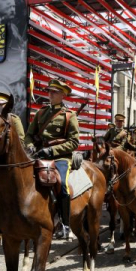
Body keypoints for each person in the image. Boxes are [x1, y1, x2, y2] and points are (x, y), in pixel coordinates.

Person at [24, 79, 80, 240]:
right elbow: (29, 134)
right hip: (39, 154)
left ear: (63, 95)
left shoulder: (69, 116)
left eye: (54, 92)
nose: (50, 94)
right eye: (49, 91)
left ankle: (65, 224)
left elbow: (73, 142)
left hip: (60, 157)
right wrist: (30, 146)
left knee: (61, 184)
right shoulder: (41, 113)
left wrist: (52, 150)